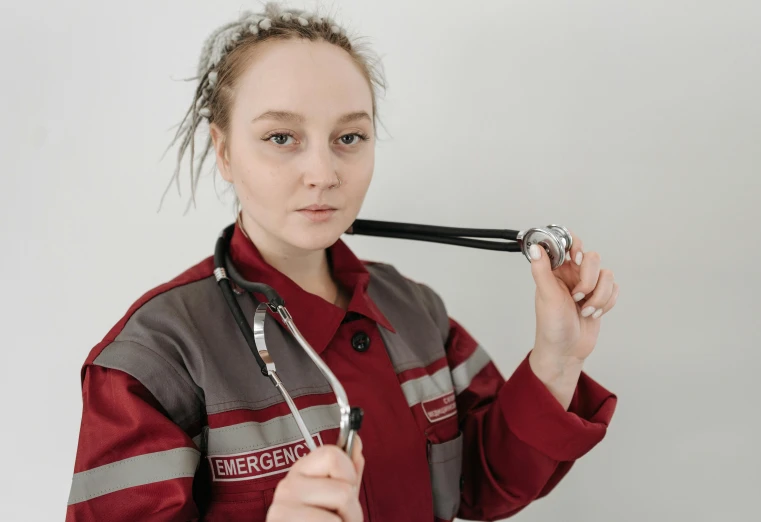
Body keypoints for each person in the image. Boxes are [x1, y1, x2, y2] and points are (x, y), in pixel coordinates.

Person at [66, 3, 619, 521]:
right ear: (225, 150)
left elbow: (483, 480)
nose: (324, 172)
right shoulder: (154, 358)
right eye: (281, 136)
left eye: (348, 136)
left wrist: (556, 360)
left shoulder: (415, 309)